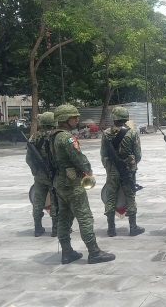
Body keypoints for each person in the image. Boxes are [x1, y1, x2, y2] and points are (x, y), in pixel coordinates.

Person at [48, 104, 115, 264]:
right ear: (65, 119)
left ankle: (66, 251)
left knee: (63, 217)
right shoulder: (67, 138)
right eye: (74, 117)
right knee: (84, 216)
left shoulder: (53, 136)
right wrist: (88, 169)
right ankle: (94, 252)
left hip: (60, 181)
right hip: (72, 183)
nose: (77, 119)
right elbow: (78, 157)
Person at [101, 106, 144, 237]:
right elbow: (138, 154)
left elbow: (104, 154)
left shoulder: (106, 133)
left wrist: (109, 168)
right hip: (128, 170)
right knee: (130, 196)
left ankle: (111, 228)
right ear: (126, 118)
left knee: (111, 196)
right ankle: (133, 227)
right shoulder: (132, 133)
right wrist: (132, 164)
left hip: (112, 169)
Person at [25, 112, 58, 237]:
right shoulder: (56, 136)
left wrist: (36, 171)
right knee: (55, 200)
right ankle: (56, 228)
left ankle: (37, 228)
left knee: (38, 200)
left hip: (39, 175)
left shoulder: (34, 137)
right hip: (54, 174)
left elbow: (28, 159)